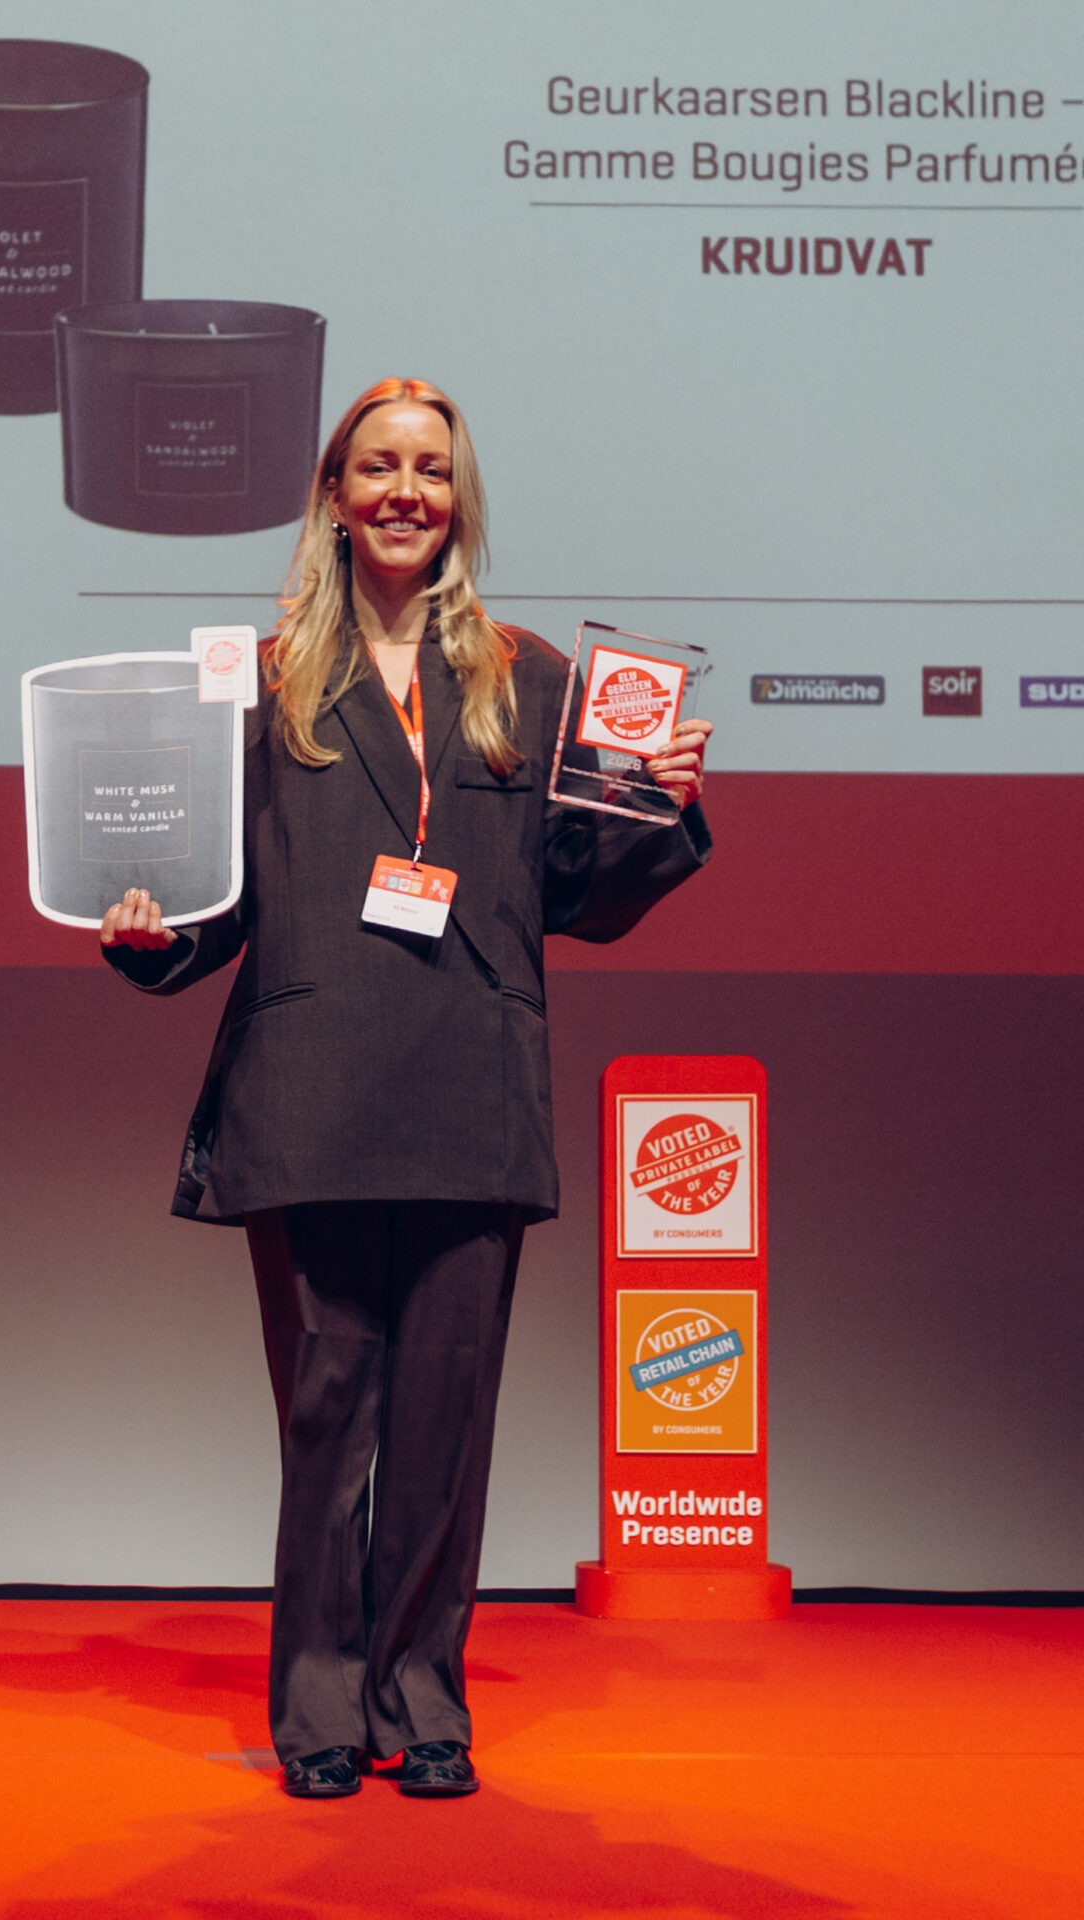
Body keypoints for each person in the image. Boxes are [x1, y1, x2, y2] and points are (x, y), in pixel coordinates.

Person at [101, 378, 712, 1800]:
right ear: (333, 493)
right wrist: (146, 931)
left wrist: (663, 804)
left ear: (458, 501)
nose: (405, 493)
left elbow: (578, 892)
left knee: (444, 1423)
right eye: (377, 467)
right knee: (328, 1420)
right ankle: (321, 1712)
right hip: (309, 1093)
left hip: (471, 1092)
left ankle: (423, 1702)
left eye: (431, 471)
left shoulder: (532, 678)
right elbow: (213, 901)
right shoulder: (256, 684)